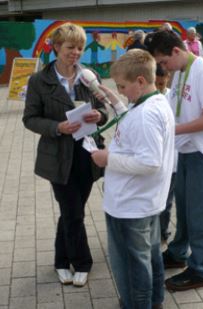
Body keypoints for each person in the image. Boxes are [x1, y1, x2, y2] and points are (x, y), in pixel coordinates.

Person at [22, 23, 108, 287]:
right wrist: (57, 127)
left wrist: (99, 115)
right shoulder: (39, 80)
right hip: (57, 155)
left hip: (87, 153)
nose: (76, 53)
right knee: (73, 212)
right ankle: (82, 263)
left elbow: (104, 109)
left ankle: (61, 260)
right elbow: (30, 119)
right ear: (56, 47)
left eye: (80, 48)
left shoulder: (89, 76)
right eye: (70, 47)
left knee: (73, 211)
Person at [91, 49, 175, 309]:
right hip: (146, 200)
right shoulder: (153, 102)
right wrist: (116, 101)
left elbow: (150, 162)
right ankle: (154, 301)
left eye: (123, 86)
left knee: (132, 264)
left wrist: (108, 159)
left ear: (140, 81)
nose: (122, 91)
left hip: (131, 205)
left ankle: (137, 304)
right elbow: (132, 117)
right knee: (150, 256)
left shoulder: (145, 115)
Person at [147, 29, 203, 292]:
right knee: (183, 208)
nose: (163, 69)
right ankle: (178, 252)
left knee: (200, 213)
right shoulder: (179, 71)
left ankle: (198, 269)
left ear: (175, 51)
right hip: (184, 151)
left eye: (162, 62)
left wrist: (173, 131)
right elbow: (173, 106)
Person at [155, 64, 177, 242]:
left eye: (161, 84)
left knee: (167, 200)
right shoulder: (143, 98)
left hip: (171, 160)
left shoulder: (172, 97)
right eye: (155, 84)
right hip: (154, 159)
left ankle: (162, 231)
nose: (158, 88)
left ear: (168, 78)